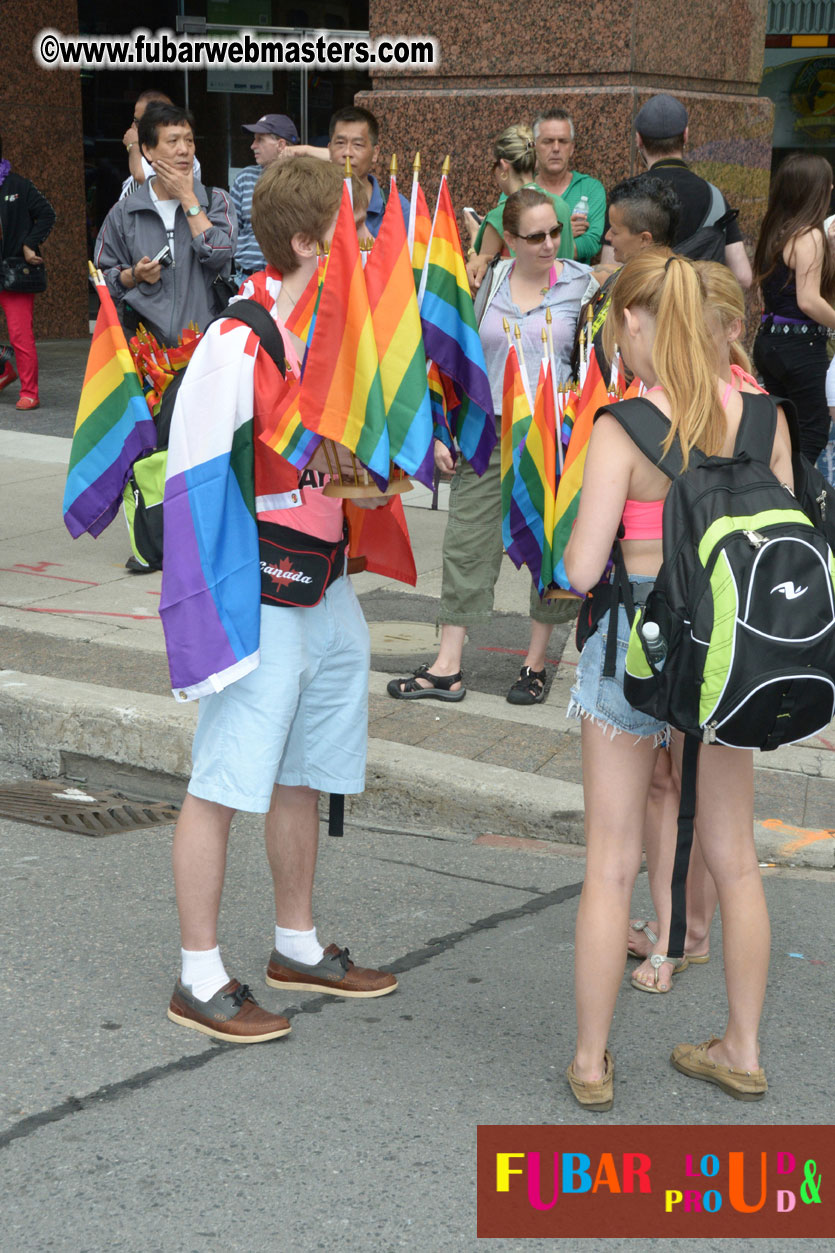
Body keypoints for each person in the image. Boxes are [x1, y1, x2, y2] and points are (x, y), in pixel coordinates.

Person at [163, 155, 398, 1044]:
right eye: (352, 224)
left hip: (325, 581)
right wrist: (207, 619)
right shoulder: (237, 341)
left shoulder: (335, 333)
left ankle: (294, 943)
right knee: (223, 780)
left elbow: (320, 454)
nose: (364, 240)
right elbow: (193, 484)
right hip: (259, 591)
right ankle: (198, 974)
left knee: (304, 767)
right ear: (307, 240)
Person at [562, 248, 792, 1108]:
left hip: (635, 653)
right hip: (731, 660)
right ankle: (741, 1045)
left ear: (632, 320)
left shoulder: (623, 427)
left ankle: (590, 1060)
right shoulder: (767, 420)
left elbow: (584, 568)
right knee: (734, 860)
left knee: (609, 863)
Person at [389, 188, 593, 706]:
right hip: (487, 431)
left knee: (548, 547)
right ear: (509, 237)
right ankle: (448, 666)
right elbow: (446, 358)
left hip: (551, 435)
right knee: (466, 541)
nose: (549, 244)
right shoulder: (483, 281)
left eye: (555, 233)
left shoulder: (583, 284)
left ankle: (535, 662)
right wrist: (441, 429)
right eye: (536, 236)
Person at [628, 261, 767, 994]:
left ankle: (679, 936)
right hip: (741, 624)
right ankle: (686, 926)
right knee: (686, 790)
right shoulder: (753, 404)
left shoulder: (712, 404)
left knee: (682, 792)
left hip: (698, 622)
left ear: (726, 330)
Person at [94, 102, 237, 346]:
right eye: (173, 142)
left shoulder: (215, 201)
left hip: (206, 347)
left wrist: (188, 198)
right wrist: (133, 275)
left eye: (189, 141)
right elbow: (101, 278)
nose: (184, 150)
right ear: (148, 151)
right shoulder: (124, 212)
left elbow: (220, 256)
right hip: (144, 351)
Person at [600, 94, 752, 289]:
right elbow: (743, 276)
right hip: (697, 315)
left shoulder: (626, 198)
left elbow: (610, 270)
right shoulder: (715, 196)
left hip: (642, 310)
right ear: (686, 135)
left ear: (638, 140)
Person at [752, 153, 835, 464]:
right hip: (801, 345)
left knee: (785, 429)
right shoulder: (809, 234)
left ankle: (778, 492)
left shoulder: (775, 230)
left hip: (768, 342)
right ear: (816, 190)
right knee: (813, 432)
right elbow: (809, 300)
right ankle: (798, 502)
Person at [465, 124, 574, 292]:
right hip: (565, 303)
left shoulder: (499, 215)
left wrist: (474, 237)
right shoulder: (562, 206)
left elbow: (479, 279)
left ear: (503, 166)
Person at [279, 105, 408, 236]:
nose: (347, 153)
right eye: (340, 143)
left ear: (375, 153)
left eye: (357, 145)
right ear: (329, 149)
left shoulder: (397, 207)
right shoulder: (310, 202)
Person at [0, 137, 55, 412]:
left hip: (13, 272)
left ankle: (30, 392)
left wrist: (29, 243)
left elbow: (47, 214)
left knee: (20, 335)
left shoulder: (18, 186)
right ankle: (4, 368)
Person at [231, 113, 299, 285]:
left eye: (260, 140)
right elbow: (230, 232)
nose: (253, 146)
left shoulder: (303, 181)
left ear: (281, 144)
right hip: (246, 278)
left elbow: (342, 162)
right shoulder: (244, 178)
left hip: (289, 279)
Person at [532, 108, 606, 263]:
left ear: (571, 148)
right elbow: (507, 243)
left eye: (563, 141)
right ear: (534, 146)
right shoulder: (521, 187)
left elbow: (591, 243)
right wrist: (562, 233)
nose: (556, 148)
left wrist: (535, 241)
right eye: (548, 141)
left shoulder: (590, 188)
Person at [119, 90, 202, 200]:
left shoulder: (184, 159)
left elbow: (141, 175)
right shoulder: (146, 154)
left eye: (139, 122)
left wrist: (133, 144)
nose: (134, 127)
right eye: (135, 120)